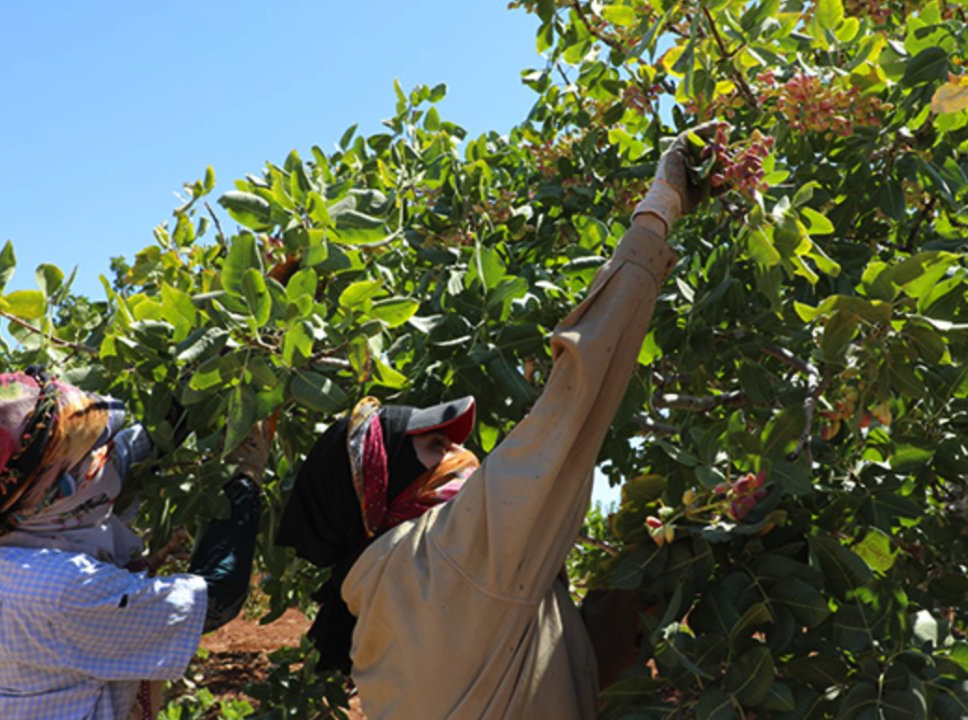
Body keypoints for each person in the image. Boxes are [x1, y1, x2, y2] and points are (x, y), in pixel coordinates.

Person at [276, 122, 721, 719]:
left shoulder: (381, 605)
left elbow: (537, 668)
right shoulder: (444, 559)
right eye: (434, 448)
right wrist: (660, 207)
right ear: (379, 494)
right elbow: (574, 401)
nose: (463, 456)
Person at [0, 368, 268, 720]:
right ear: (56, 491)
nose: (106, 453)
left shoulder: (2, 525)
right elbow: (216, 597)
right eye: (90, 450)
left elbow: (126, 456)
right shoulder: (58, 591)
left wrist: (204, 378)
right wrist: (242, 481)